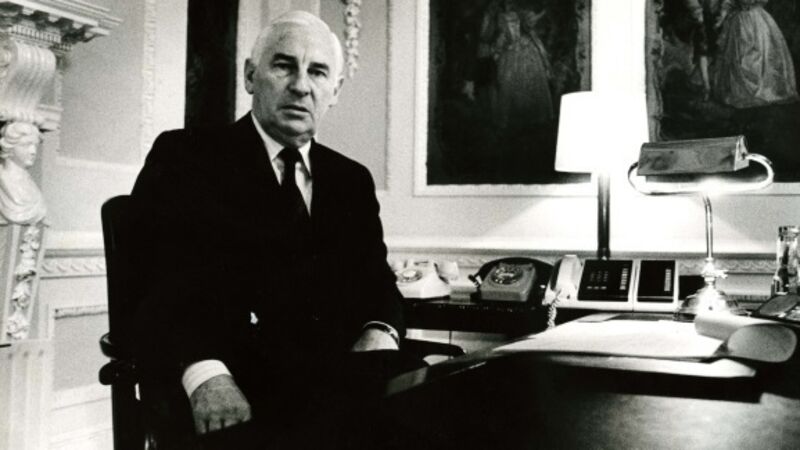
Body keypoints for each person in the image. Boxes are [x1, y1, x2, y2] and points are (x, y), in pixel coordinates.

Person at [130, 11, 413, 449]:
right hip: (232, 390)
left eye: (318, 72)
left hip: (334, 392)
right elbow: (153, 285)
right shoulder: (187, 158)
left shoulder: (351, 180)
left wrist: (380, 331)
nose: (301, 85)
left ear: (335, 90)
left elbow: (376, 282)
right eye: (284, 66)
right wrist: (204, 373)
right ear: (250, 76)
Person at [712, 0, 798, 108]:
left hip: (757, 21)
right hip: (740, 22)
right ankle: (741, 90)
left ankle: (762, 87)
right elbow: (728, 4)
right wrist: (721, 18)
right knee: (739, 54)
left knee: (761, 51)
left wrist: (751, 4)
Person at [0, 121, 46, 225]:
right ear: (9, 147)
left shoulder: (30, 183)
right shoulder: (2, 180)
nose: (33, 151)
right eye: (26, 145)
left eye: (35, 146)